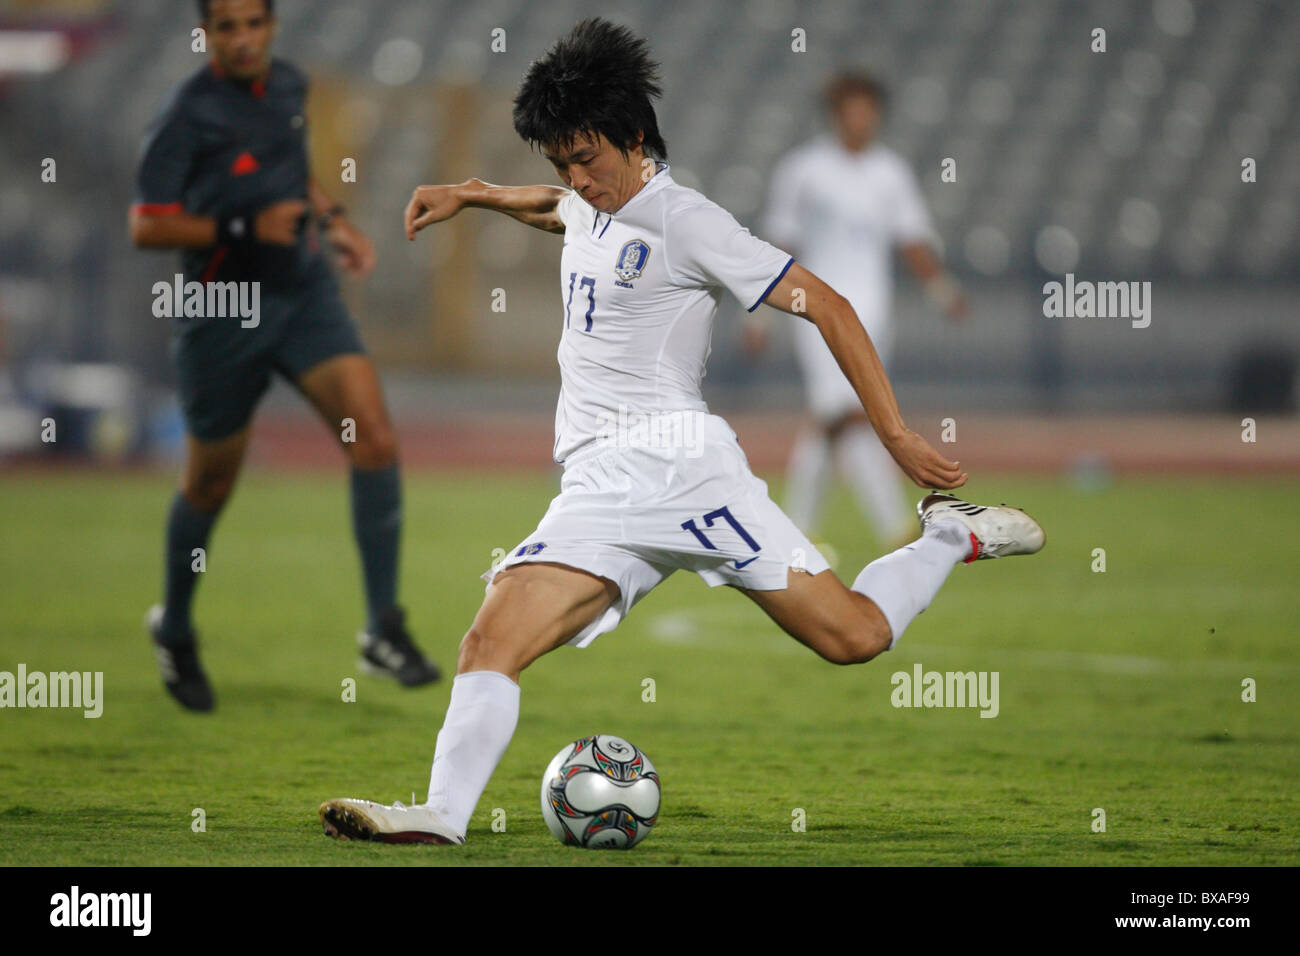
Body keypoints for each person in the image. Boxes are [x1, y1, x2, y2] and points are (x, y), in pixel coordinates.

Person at [318, 18, 1042, 845]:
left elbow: (830, 306)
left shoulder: (689, 221)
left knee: (855, 638)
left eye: (587, 158)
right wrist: (475, 193)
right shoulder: (590, 199)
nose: (576, 179)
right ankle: (442, 816)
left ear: (633, 137)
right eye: (561, 162)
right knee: (490, 635)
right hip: (595, 486)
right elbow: (560, 211)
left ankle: (949, 536)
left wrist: (897, 435)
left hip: (684, 472)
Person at [130, 0, 440, 712]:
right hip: (220, 313)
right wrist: (242, 226)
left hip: (304, 297)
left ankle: (383, 628)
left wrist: (332, 222)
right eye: (226, 27)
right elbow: (147, 224)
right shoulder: (185, 113)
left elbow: (290, 174)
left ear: (271, 26)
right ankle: (174, 626)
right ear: (205, 33)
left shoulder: (291, 87)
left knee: (375, 438)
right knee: (210, 484)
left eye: (253, 24)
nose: (242, 39)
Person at [746, 71, 969, 551]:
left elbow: (912, 238)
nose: (862, 118)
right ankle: (894, 527)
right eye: (853, 108)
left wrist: (943, 291)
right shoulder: (802, 170)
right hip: (815, 309)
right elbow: (780, 246)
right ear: (836, 113)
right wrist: (762, 316)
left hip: (873, 312)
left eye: (869, 109)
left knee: (839, 416)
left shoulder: (890, 172)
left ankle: (797, 531)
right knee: (845, 412)